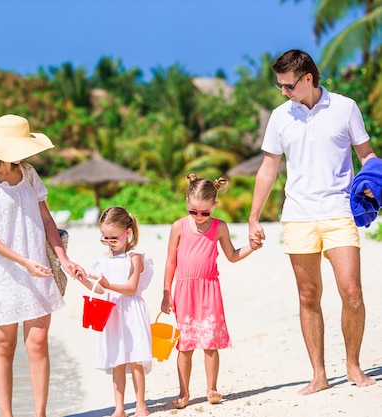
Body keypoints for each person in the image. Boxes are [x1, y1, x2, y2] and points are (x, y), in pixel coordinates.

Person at [248, 49, 378, 395]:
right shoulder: (279, 117)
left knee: (351, 292)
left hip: (339, 210)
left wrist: (372, 185)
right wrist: (253, 217)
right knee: (308, 296)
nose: (283, 91)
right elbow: (269, 168)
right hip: (298, 215)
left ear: (308, 79)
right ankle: (319, 375)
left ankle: (352, 365)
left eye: (288, 85)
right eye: (279, 85)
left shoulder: (345, 107)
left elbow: (367, 155)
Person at [0, 114, 86, 417]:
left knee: (38, 342)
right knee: (5, 348)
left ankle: (40, 414)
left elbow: (47, 220)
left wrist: (63, 258)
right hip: (5, 273)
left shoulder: (29, 173)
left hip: (39, 267)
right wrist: (22, 262)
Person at [161, 173, 256, 409]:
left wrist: (252, 247)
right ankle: (184, 393)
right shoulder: (179, 226)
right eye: (194, 211)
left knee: (210, 342)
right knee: (185, 344)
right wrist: (166, 292)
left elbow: (232, 256)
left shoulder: (219, 227)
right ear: (186, 203)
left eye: (206, 212)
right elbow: (171, 262)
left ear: (215, 205)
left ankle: (212, 388)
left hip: (209, 289)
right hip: (184, 290)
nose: (200, 217)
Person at [77, 206, 153, 417]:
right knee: (117, 359)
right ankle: (119, 407)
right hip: (112, 313)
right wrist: (83, 278)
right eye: (105, 238)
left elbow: (130, 287)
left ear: (127, 232)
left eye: (114, 238)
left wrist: (108, 285)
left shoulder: (134, 256)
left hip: (132, 310)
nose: (110, 242)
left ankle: (140, 405)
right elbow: (100, 288)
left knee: (135, 358)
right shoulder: (104, 258)